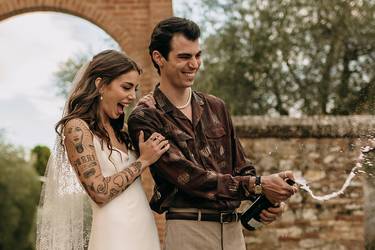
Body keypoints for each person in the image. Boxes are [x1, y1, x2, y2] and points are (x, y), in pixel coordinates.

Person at [128, 17, 298, 250]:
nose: (194, 64)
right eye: (184, 57)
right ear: (159, 58)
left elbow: (242, 167)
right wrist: (257, 184)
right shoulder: (146, 117)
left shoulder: (216, 106)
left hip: (233, 231)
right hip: (189, 231)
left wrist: (268, 199)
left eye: (198, 55)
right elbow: (190, 179)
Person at [36, 50, 169, 250]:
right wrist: (142, 161)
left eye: (135, 89)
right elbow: (100, 192)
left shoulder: (122, 132)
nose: (132, 96)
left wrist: (148, 112)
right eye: (126, 87)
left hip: (143, 227)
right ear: (100, 84)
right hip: (113, 232)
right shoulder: (77, 128)